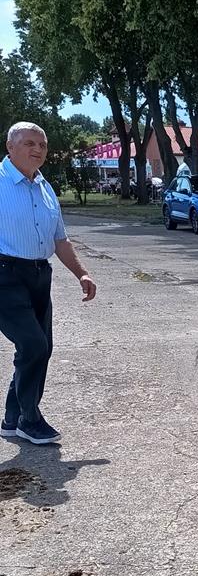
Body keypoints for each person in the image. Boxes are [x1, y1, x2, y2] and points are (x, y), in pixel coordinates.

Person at [0, 122, 97, 445]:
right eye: (29, 143)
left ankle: (12, 417)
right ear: (10, 147)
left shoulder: (44, 186)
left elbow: (60, 239)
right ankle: (30, 418)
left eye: (42, 144)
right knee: (33, 345)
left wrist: (81, 273)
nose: (38, 150)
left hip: (40, 275)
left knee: (40, 347)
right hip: (5, 275)